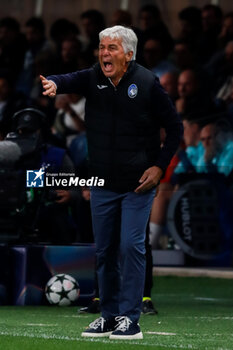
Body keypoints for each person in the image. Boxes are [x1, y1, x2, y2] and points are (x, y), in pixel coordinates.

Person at [40, 25, 183, 340]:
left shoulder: (147, 83)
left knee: (130, 245)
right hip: (102, 181)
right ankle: (108, 316)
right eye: (102, 47)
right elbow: (69, 79)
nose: (104, 53)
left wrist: (159, 167)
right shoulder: (93, 76)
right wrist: (53, 83)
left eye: (112, 48)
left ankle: (130, 319)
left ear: (128, 54)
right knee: (104, 250)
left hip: (138, 183)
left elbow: (175, 128)